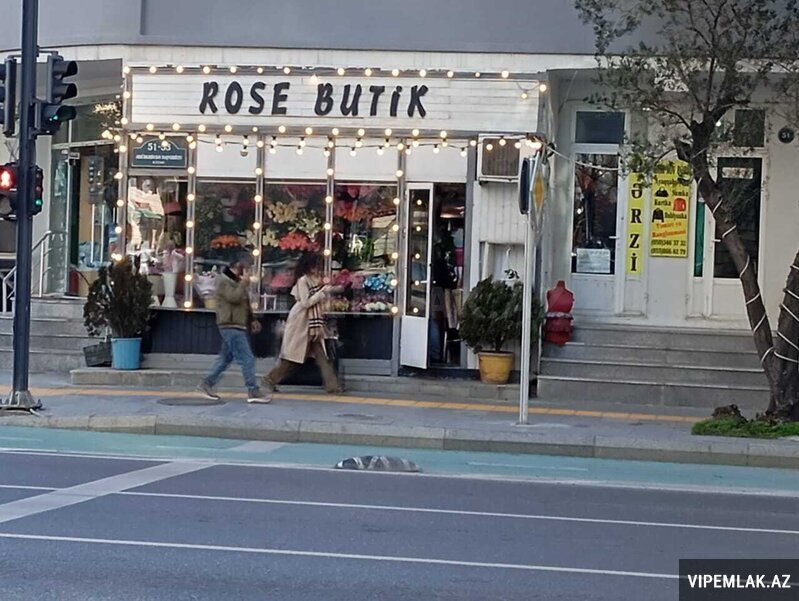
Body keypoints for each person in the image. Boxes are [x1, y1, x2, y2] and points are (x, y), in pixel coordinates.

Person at [263, 253, 342, 398]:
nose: (318, 269)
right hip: (301, 322)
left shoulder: (315, 281)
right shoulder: (303, 281)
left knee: (322, 356)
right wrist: (322, 293)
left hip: (314, 324)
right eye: (316, 266)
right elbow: (306, 302)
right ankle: (270, 379)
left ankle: (333, 387)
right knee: (292, 358)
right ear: (309, 266)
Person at [197, 254, 269, 404]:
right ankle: (252, 390)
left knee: (225, 358)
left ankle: (207, 384)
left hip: (236, 324)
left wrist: (252, 319)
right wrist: (244, 283)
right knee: (247, 358)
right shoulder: (223, 281)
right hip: (230, 324)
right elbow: (233, 298)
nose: (247, 272)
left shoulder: (236, 282)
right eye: (245, 268)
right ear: (236, 267)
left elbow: (244, 303)